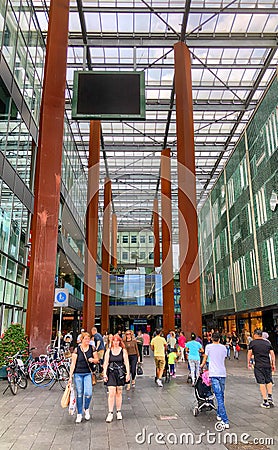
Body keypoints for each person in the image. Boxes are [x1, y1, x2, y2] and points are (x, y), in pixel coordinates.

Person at [200, 331, 230, 429]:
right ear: (220, 339)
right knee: (221, 394)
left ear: (212, 338)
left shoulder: (208, 347)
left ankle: (225, 420)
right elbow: (224, 358)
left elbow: (205, 358)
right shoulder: (224, 348)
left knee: (218, 396)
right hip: (222, 373)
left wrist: (201, 365)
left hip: (213, 373)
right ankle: (219, 414)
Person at [68, 332, 99, 423]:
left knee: (88, 393)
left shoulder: (92, 348)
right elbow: (73, 363)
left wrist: (93, 360)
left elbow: (97, 360)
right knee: (80, 393)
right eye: (85, 339)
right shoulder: (76, 350)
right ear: (81, 340)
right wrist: (70, 376)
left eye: (88, 339)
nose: (87, 341)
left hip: (88, 373)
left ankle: (86, 408)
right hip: (78, 373)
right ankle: (79, 413)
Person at [103, 334, 130, 422]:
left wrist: (128, 374)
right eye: (114, 341)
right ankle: (110, 412)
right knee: (111, 392)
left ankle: (118, 411)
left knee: (119, 392)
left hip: (120, 373)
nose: (115, 342)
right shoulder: (108, 351)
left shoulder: (123, 351)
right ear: (112, 342)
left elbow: (126, 362)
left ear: (119, 342)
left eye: (117, 341)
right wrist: (104, 374)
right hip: (111, 373)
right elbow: (105, 363)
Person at [247, 328, 276, 408]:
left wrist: (248, 362)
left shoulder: (253, 343)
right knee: (269, 380)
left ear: (255, 335)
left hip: (258, 365)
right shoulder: (267, 343)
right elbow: (272, 354)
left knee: (261, 382)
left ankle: (265, 400)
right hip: (267, 365)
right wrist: (273, 364)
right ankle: (270, 396)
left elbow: (249, 353)